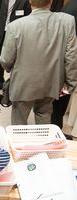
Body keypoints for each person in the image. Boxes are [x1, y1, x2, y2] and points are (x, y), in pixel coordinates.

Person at [0, 0, 77, 125]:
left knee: (19, 124)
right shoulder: (67, 21)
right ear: (51, 1)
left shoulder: (15, 26)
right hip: (51, 82)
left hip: (22, 83)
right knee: (44, 118)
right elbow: (72, 56)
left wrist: (10, 68)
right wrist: (71, 84)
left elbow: (5, 59)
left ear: (30, 1)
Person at [0, 0, 31, 92]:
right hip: (0, 32)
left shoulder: (24, 1)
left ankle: (13, 85)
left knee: (15, 59)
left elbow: (28, 19)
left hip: (15, 35)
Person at [51, 0, 77, 140]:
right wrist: (71, 82)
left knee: (57, 103)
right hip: (65, 66)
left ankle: (56, 130)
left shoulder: (69, 6)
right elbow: (71, 52)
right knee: (60, 101)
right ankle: (56, 134)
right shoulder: (71, 12)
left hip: (58, 63)